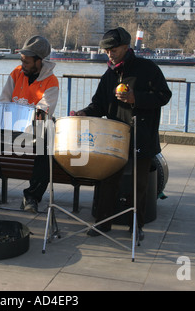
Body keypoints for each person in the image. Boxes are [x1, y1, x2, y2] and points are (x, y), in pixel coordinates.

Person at [71, 27, 171, 239]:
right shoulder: (109, 75)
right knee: (107, 181)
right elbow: (98, 105)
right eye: (107, 51)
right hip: (114, 138)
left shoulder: (148, 68)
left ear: (126, 47)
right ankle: (103, 223)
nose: (109, 54)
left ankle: (136, 227)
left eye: (113, 50)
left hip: (142, 136)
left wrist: (138, 98)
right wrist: (82, 113)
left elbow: (164, 95)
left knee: (139, 185)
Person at [0, 35, 59, 213]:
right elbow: (4, 99)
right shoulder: (16, 73)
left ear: (39, 61)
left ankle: (31, 197)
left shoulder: (51, 82)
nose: (23, 65)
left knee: (46, 148)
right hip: (9, 128)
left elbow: (44, 109)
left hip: (34, 133)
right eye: (22, 61)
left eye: (27, 62)